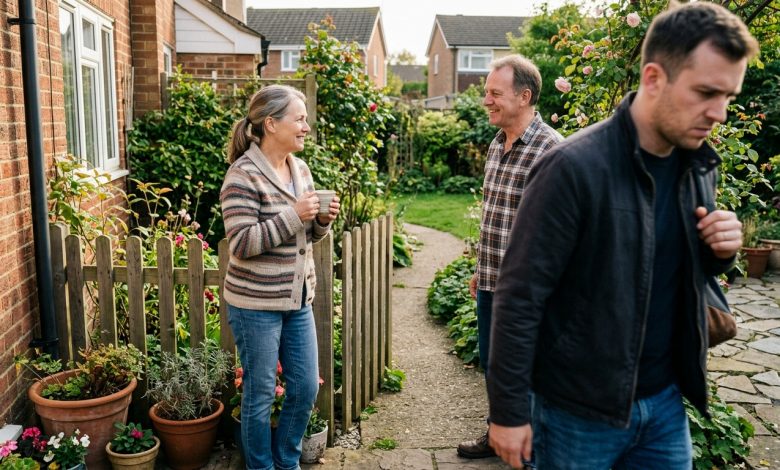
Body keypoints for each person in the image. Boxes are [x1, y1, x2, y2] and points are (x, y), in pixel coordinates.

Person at [487, 3, 758, 469]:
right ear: (653, 78)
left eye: (728, 97)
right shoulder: (571, 168)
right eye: (706, 93)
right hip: (576, 412)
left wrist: (718, 253)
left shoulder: (698, 165)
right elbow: (519, 295)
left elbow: (667, 263)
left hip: (665, 405)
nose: (719, 113)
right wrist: (508, 412)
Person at [221, 84, 339, 470]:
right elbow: (241, 243)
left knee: (305, 388)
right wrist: (295, 216)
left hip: (297, 299)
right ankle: (262, 467)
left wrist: (320, 222)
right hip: (255, 305)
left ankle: (286, 461)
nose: (306, 126)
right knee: (258, 395)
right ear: (271, 124)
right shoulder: (242, 176)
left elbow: (305, 235)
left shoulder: (299, 169)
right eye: (299, 119)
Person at [457, 54, 562, 460]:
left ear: (524, 95)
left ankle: (534, 453)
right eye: (486, 92)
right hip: (491, 281)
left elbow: (557, 233)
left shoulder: (550, 150)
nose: (486, 100)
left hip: (531, 292)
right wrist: (480, 268)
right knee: (495, 368)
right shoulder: (496, 145)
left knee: (532, 371)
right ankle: (498, 432)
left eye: (494, 93)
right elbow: (495, 215)